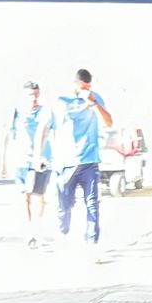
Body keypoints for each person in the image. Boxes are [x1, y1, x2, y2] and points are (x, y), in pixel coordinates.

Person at [37, 68, 113, 249]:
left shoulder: (95, 98)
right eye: (83, 86)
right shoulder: (60, 102)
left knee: (92, 204)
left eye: (88, 86)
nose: (86, 89)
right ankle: (63, 235)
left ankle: (91, 243)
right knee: (64, 206)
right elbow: (43, 129)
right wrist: (39, 156)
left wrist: (94, 103)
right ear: (75, 84)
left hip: (89, 161)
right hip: (65, 163)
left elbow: (109, 122)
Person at [1, 81, 51, 248]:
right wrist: (3, 163)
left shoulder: (45, 112)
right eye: (30, 95)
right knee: (25, 197)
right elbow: (7, 136)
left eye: (36, 95)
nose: (34, 98)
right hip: (22, 160)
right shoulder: (16, 113)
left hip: (41, 160)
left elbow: (52, 133)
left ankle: (38, 229)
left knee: (39, 196)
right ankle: (29, 232)